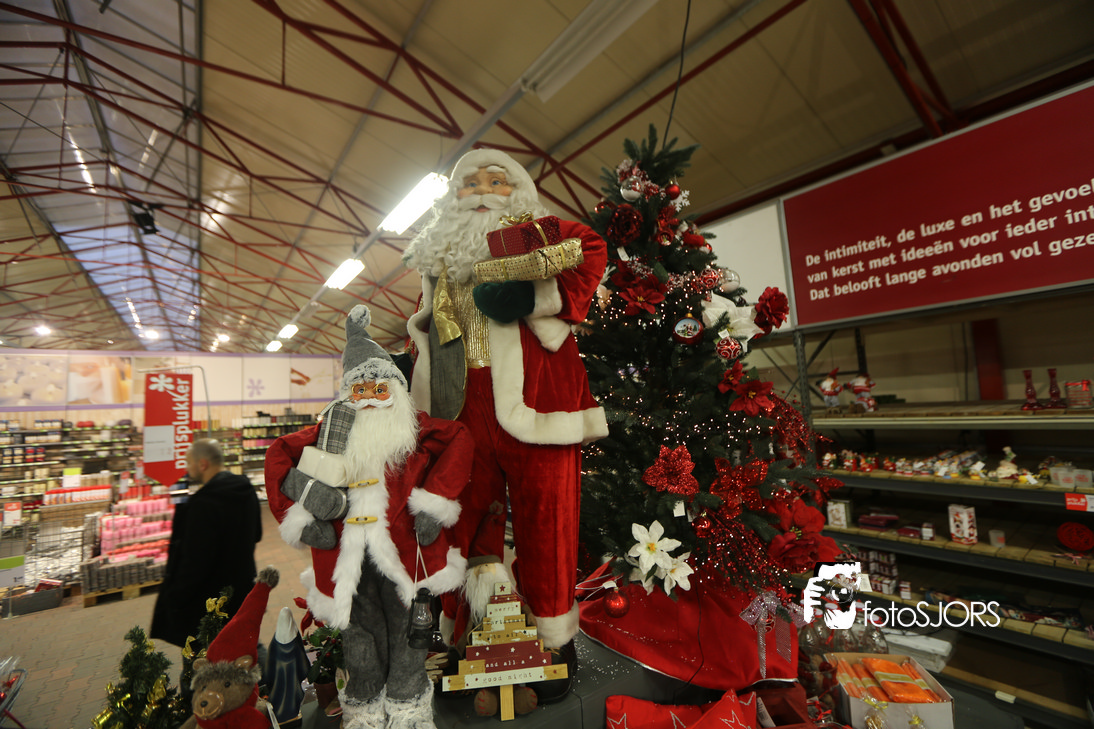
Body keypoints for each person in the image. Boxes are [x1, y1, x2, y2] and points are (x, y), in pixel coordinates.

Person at [402, 148, 608, 698]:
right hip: (459, 409)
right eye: (470, 183)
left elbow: (593, 248)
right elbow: (426, 323)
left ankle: (553, 639)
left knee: (549, 520)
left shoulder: (539, 230)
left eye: (497, 180)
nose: (483, 191)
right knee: (464, 526)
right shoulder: (439, 250)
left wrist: (535, 296)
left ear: (517, 190)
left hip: (538, 400)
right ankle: (470, 637)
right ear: (454, 196)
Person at [265, 305, 473, 729]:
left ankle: (408, 705)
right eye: (360, 390)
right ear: (347, 394)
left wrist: (435, 500)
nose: (371, 398)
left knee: (408, 629)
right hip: (347, 556)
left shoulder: (414, 429)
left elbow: (461, 437)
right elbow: (278, 454)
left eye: (381, 389)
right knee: (359, 634)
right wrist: (305, 511)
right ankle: (364, 706)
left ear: (397, 390)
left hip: (405, 551)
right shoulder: (329, 432)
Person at [151, 439, 263, 648]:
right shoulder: (247, 491)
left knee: (206, 660)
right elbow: (256, 534)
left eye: (189, 463)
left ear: (202, 464)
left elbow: (194, 562)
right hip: (242, 588)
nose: (187, 468)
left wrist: (175, 598)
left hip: (210, 602)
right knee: (244, 648)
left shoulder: (202, 504)